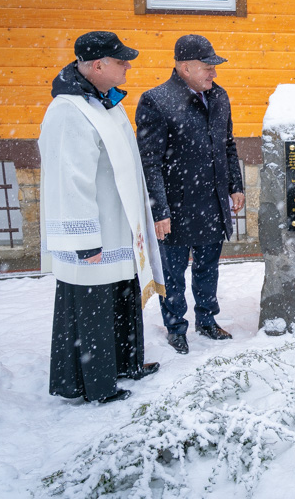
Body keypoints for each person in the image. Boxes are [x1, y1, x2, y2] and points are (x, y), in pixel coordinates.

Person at [39, 31, 163, 404]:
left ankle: (126, 363)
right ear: (97, 65)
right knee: (92, 308)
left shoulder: (107, 103)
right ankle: (95, 384)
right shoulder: (68, 111)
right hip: (96, 235)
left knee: (122, 297)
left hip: (119, 228)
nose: (127, 66)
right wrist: (84, 239)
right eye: (121, 61)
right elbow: (69, 178)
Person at [135, 34, 245, 355]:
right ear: (184, 67)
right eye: (207, 67)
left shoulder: (219, 97)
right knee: (173, 271)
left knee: (208, 266)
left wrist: (235, 186)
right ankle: (176, 327)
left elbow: (228, 144)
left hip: (212, 202)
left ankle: (207, 320)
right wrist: (159, 211)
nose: (214, 73)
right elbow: (149, 161)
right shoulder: (156, 101)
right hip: (177, 206)